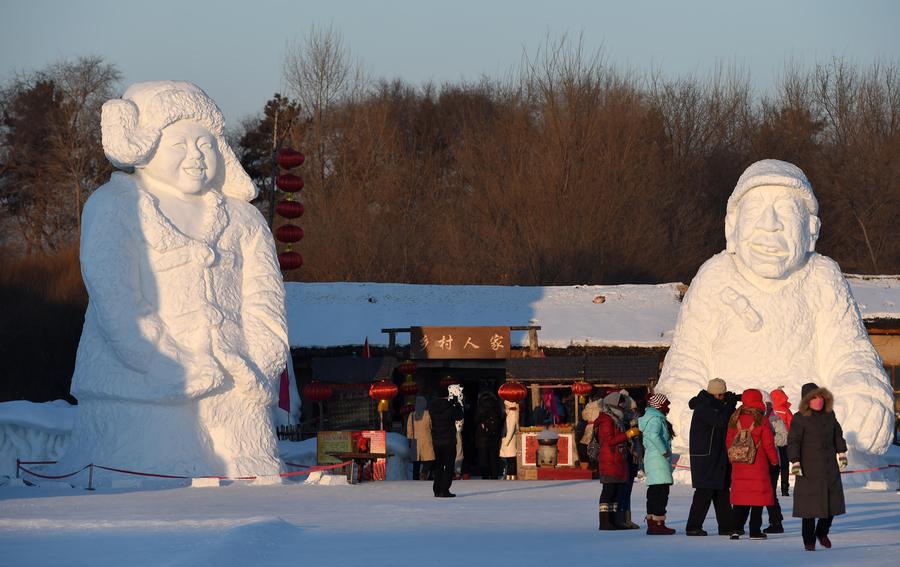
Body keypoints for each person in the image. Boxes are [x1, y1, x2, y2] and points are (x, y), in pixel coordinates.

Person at [57, 81, 287, 481]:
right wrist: (160, 361)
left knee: (253, 466)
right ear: (147, 147)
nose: (196, 157)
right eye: (179, 145)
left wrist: (263, 361)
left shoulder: (245, 219)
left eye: (206, 144)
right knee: (162, 462)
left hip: (239, 388)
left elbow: (265, 298)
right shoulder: (116, 207)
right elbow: (116, 296)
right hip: (141, 389)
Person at [656, 159, 893, 458]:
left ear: (811, 230)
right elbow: (686, 359)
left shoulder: (822, 275)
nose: (771, 224)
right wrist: (682, 404)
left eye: (786, 210)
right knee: (686, 420)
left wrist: (863, 396)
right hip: (730, 426)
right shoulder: (714, 277)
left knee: (859, 420)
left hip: (808, 428)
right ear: (732, 226)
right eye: (756, 210)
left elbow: (851, 354)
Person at [787, 382, 848, 551]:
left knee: (832, 503)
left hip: (829, 467)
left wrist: (841, 453)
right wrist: (795, 461)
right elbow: (793, 441)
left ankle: (822, 532)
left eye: (819, 395)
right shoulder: (799, 417)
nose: (818, 399)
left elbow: (837, 434)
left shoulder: (830, 414)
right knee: (809, 507)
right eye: (813, 397)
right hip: (809, 469)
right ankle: (809, 540)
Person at [685, 378, 739, 536]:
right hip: (706, 457)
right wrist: (729, 404)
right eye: (722, 395)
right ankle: (693, 526)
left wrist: (728, 402)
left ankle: (726, 526)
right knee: (704, 492)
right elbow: (721, 421)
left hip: (715, 454)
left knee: (721, 490)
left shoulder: (712, 404)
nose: (723, 398)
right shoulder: (704, 407)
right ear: (716, 394)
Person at [726, 389, 779, 540]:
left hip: (739, 464)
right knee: (758, 499)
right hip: (758, 464)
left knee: (740, 497)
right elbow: (769, 444)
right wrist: (774, 461)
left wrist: (733, 456)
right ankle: (755, 531)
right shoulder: (761, 420)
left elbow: (728, 441)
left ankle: (735, 529)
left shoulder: (734, 418)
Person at [594, 392, 641, 530]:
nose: (622, 405)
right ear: (613, 403)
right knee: (608, 490)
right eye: (620, 402)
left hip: (617, 459)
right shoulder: (606, 420)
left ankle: (613, 520)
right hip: (609, 459)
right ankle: (604, 521)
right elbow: (608, 441)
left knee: (616, 490)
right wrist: (627, 435)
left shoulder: (616, 419)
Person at [639, 393, 676, 535]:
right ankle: (658, 523)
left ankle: (652, 521)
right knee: (660, 492)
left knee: (655, 491)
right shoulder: (656, 419)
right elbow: (654, 436)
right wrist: (664, 451)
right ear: (660, 406)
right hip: (658, 459)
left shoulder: (653, 417)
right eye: (666, 405)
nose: (668, 408)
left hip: (653, 459)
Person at [429, 385, 464, 497]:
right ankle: (444, 489)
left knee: (439, 465)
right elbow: (459, 416)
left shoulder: (432, 408)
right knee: (448, 466)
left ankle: (437, 489)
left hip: (436, 441)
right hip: (448, 441)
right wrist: (457, 404)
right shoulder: (449, 407)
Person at [615, 390, 643, 529]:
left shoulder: (635, 421)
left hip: (633, 457)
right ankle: (621, 518)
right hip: (624, 456)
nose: (634, 411)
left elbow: (638, 440)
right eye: (631, 408)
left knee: (628, 489)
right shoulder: (619, 421)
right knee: (623, 489)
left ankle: (627, 518)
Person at [761, 390, 788, 533]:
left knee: (770, 492)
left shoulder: (775, 419)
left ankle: (776, 521)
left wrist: (768, 440)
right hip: (758, 461)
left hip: (772, 461)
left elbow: (784, 438)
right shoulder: (755, 418)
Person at [475, 390, 503, 479]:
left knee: (483, 457)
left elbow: (475, 421)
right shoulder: (496, 407)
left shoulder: (480, 408)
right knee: (494, 457)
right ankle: (494, 475)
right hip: (494, 435)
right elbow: (500, 420)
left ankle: (485, 475)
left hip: (482, 436)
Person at [770, 388, 793, 496]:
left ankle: (772, 488)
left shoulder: (770, 410)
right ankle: (785, 488)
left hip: (773, 441)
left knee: (773, 464)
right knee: (784, 465)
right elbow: (792, 425)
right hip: (785, 441)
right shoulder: (786, 411)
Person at [406, 396, 435, 480]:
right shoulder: (428, 414)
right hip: (427, 438)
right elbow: (432, 426)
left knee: (416, 462)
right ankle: (424, 472)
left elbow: (409, 428)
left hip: (415, 440)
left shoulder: (411, 415)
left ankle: (415, 478)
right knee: (429, 458)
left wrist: (410, 439)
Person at [499, 399, 520, 480]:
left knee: (510, 459)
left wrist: (506, 442)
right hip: (509, 439)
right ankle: (510, 475)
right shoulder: (512, 413)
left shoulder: (512, 414)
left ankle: (510, 475)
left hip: (509, 440)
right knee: (510, 459)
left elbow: (510, 429)